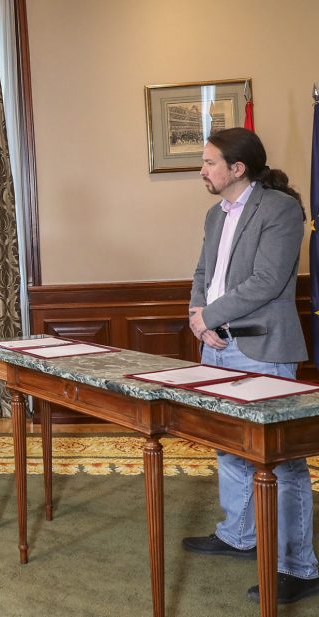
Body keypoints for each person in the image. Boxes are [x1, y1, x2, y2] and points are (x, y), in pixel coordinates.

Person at [182, 127, 319, 604]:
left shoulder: (280, 209)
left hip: (262, 348)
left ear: (237, 168)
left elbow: (266, 280)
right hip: (214, 345)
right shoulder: (214, 214)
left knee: (279, 461)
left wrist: (211, 317)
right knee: (229, 447)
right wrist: (198, 322)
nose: (202, 170)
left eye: (209, 162)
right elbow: (203, 274)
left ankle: (298, 568)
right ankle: (240, 535)